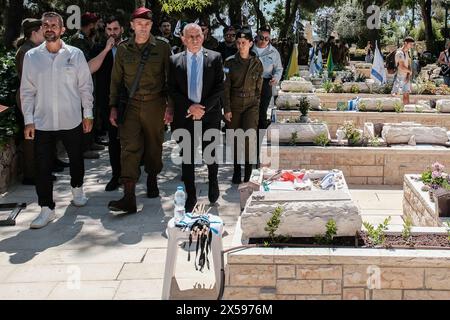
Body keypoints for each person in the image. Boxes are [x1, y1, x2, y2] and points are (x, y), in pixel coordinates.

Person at [20, 12, 93, 229]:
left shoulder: (76, 54)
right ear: (42, 29)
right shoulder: (32, 57)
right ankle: (46, 209)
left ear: (62, 30)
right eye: (45, 25)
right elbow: (27, 90)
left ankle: (77, 189)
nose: (49, 28)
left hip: (71, 118)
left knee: (76, 158)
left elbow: (85, 86)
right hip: (42, 122)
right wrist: (28, 120)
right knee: (42, 166)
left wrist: (87, 113)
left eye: (54, 25)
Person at [108, 7, 171, 214]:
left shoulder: (162, 47)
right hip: (131, 105)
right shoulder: (124, 49)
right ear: (132, 25)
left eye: (147, 24)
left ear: (151, 25)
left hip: (155, 104)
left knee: (154, 145)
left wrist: (170, 106)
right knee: (129, 148)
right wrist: (113, 107)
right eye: (139, 24)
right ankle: (129, 196)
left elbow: (170, 78)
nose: (143, 28)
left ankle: (152, 180)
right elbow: (116, 80)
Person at [167, 23, 224, 213]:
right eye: (189, 36)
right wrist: (190, 106)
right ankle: (191, 195)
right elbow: (172, 89)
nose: (194, 39)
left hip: (210, 114)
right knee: (188, 157)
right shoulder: (174, 60)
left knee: (210, 153)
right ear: (182, 39)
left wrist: (203, 108)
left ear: (203, 36)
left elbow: (219, 87)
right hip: (185, 115)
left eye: (198, 35)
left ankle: (213, 182)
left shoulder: (215, 58)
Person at [88, 16, 125, 191]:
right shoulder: (98, 47)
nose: (112, 33)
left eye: (115, 29)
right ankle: (116, 175)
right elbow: (90, 69)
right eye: (109, 30)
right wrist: (106, 50)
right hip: (108, 101)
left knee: (132, 139)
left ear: (122, 30)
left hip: (130, 100)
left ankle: (132, 173)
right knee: (113, 140)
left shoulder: (130, 47)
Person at [223, 27, 263, 184]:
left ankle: (248, 173)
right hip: (234, 104)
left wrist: (257, 106)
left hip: (251, 105)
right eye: (238, 43)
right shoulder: (229, 62)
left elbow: (259, 88)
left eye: (244, 43)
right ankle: (236, 171)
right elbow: (225, 87)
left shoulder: (257, 63)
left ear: (251, 43)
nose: (240, 46)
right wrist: (226, 109)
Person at [15, 18, 45, 185]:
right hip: (28, 96)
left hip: (35, 95)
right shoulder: (26, 51)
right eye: (42, 30)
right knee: (31, 136)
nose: (45, 33)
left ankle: (40, 170)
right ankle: (31, 175)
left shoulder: (32, 49)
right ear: (34, 32)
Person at [69, 12, 103, 159]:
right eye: (97, 24)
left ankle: (90, 141)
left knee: (91, 109)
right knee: (84, 111)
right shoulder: (78, 39)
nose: (99, 26)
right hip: (80, 81)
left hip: (90, 79)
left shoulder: (88, 38)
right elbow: (84, 62)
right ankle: (83, 147)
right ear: (90, 25)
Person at [251, 25, 283, 147]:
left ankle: (259, 142)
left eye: (266, 38)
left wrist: (276, 78)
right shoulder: (249, 48)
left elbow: (279, 69)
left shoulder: (273, 52)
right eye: (261, 37)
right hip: (250, 83)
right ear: (256, 37)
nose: (263, 40)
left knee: (262, 112)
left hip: (265, 83)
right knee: (251, 111)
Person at [391, 36, 415, 105]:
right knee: (395, 94)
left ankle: (407, 110)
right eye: (410, 44)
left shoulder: (407, 52)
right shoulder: (399, 53)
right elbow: (401, 67)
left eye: (412, 45)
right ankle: (393, 111)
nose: (411, 46)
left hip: (406, 76)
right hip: (399, 76)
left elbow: (408, 64)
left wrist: (408, 75)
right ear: (405, 43)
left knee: (406, 94)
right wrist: (409, 72)